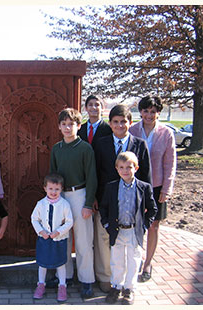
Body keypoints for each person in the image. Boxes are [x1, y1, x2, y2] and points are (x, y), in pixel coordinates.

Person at [94, 104, 152, 291]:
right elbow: (95, 172)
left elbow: (145, 176)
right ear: (110, 124)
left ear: (131, 122)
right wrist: (94, 197)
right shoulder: (101, 143)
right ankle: (106, 277)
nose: (120, 126)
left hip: (131, 201)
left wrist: (144, 203)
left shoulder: (139, 144)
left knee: (129, 244)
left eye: (123, 122)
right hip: (106, 200)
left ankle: (128, 281)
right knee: (105, 238)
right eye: (116, 122)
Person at [49, 108, 97, 299]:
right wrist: (53, 199)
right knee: (63, 239)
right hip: (61, 197)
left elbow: (92, 177)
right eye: (64, 124)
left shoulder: (85, 148)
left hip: (80, 194)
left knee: (84, 240)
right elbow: (53, 175)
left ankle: (87, 280)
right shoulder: (56, 149)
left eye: (72, 124)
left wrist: (88, 203)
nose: (68, 128)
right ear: (59, 127)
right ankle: (65, 276)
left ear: (78, 125)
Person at [129, 95, 176, 282]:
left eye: (153, 111)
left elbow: (170, 163)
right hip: (135, 184)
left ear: (158, 113)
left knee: (154, 225)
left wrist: (167, 188)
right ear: (140, 112)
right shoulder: (132, 130)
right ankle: (135, 259)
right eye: (146, 111)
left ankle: (148, 263)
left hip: (156, 186)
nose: (149, 115)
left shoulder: (166, 133)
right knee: (135, 223)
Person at [100, 152, 157, 305]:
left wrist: (144, 225)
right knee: (117, 260)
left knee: (133, 260)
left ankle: (129, 289)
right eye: (122, 167)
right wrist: (106, 224)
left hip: (133, 230)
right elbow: (103, 208)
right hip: (117, 230)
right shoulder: (111, 187)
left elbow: (152, 209)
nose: (125, 171)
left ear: (136, 168)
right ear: (117, 169)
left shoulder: (143, 188)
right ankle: (116, 286)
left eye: (129, 167)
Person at [78, 95, 112, 293]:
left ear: (102, 107)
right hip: (82, 188)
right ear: (85, 108)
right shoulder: (80, 130)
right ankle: (84, 274)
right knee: (84, 236)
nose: (93, 108)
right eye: (90, 105)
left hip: (102, 188)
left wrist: (98, 194)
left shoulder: (108, 130)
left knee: (101, 237)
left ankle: (103, 275)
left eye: (97, 104)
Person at [31, 173, 73, 302]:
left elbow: (69, 221)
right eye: (50, 189)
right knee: (42, 264)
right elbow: (34, 219)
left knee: (60, 263)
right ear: (45, 188)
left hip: (58, 239)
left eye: (57, 189)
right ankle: (41, 284)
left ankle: (62, 286)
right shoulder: (41, 204)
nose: (53, 192)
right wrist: (41, 231)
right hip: (44, 238)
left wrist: (58, 232)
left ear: (61, 189)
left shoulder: (64, 204)